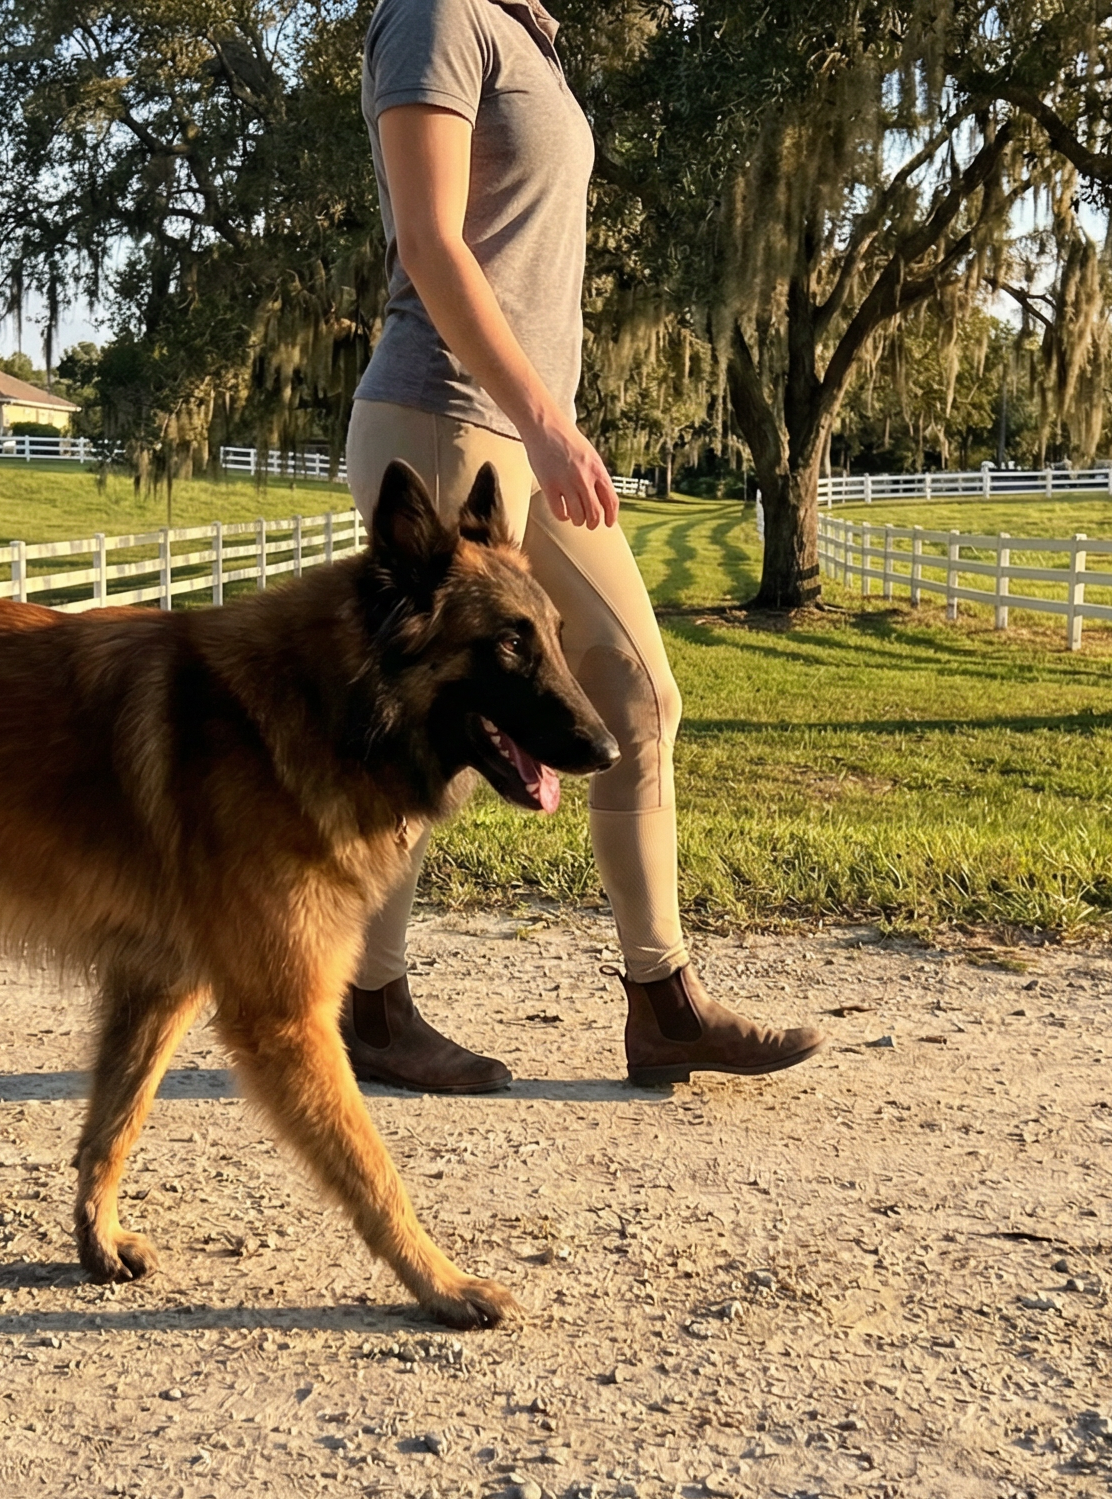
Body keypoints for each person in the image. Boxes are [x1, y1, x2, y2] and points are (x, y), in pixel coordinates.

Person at [341, 0, 825, 1091]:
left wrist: (547, 422)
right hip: (445, 414)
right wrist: (541, 420)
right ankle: (369, 1007)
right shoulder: (438, 14)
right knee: (427, 719)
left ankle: (665, 1006)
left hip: (524, 427)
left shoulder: (530, 36)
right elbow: (429, 240)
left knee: (641, 694)